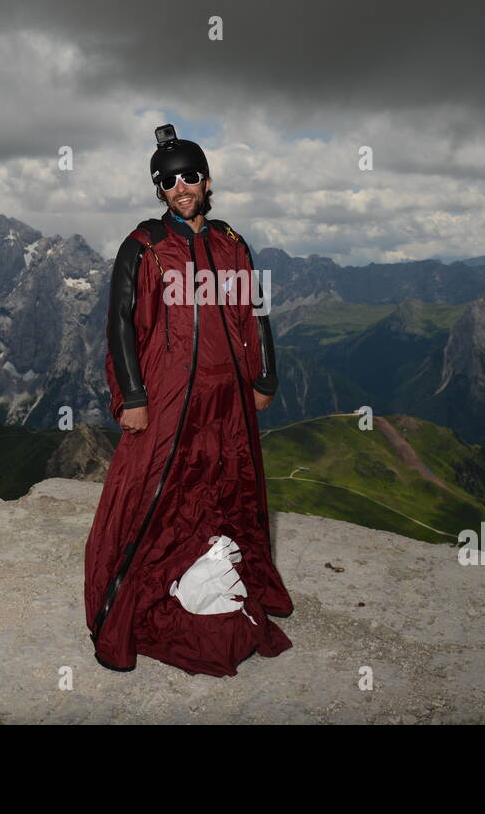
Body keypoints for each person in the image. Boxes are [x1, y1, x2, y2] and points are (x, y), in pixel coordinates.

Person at [83, 123, 294, 676]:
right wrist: (132, 395)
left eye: (190, 176)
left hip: (229, 395)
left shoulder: (230, 242)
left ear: (206, 180)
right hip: (169, 394)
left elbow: (256, 313)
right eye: (169, 180)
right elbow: (121, 327)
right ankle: (134, 593)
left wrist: (265, 377)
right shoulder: (145, 246)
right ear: (159, 189)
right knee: (153, 489)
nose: (181, 186)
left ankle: (226, 570)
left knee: (230, 482)